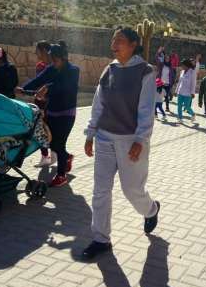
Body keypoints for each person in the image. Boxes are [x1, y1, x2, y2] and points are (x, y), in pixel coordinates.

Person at [82, 27, 160, 260]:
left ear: (134, 44)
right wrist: (90, 133)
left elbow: (147, 109)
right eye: (113, 40)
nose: (114, 45)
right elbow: (99, 103)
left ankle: (151, 209)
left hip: (131, 140)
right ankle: (100, 239)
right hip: (105, 137)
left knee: (132, 190)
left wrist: (140, 139)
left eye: (120, 41)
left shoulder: (145, 72)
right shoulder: (109, 70)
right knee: (101, 190)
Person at [21, 41, 79, 187]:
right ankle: (66, 157)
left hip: (67, 113)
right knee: (52, 143)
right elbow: (38, 80)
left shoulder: (73, 70)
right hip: (52, 111)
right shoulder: (51, 69)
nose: (53, 63)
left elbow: (65, 86)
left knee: (59, 142)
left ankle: (61, 175)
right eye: (51, 59)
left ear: (63, 58)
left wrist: (47, 88)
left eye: (55, 59)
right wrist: (23, 89)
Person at [34, 40, 55, 167]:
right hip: (40, 102)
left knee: (52, 130)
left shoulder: (55, 66)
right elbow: (38, 83)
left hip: (51, 103)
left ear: (44, 51)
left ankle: (58, 155)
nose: (36, 53)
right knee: (40, 129)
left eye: (37, 50)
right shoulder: (40, 66)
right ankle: (44, 156)